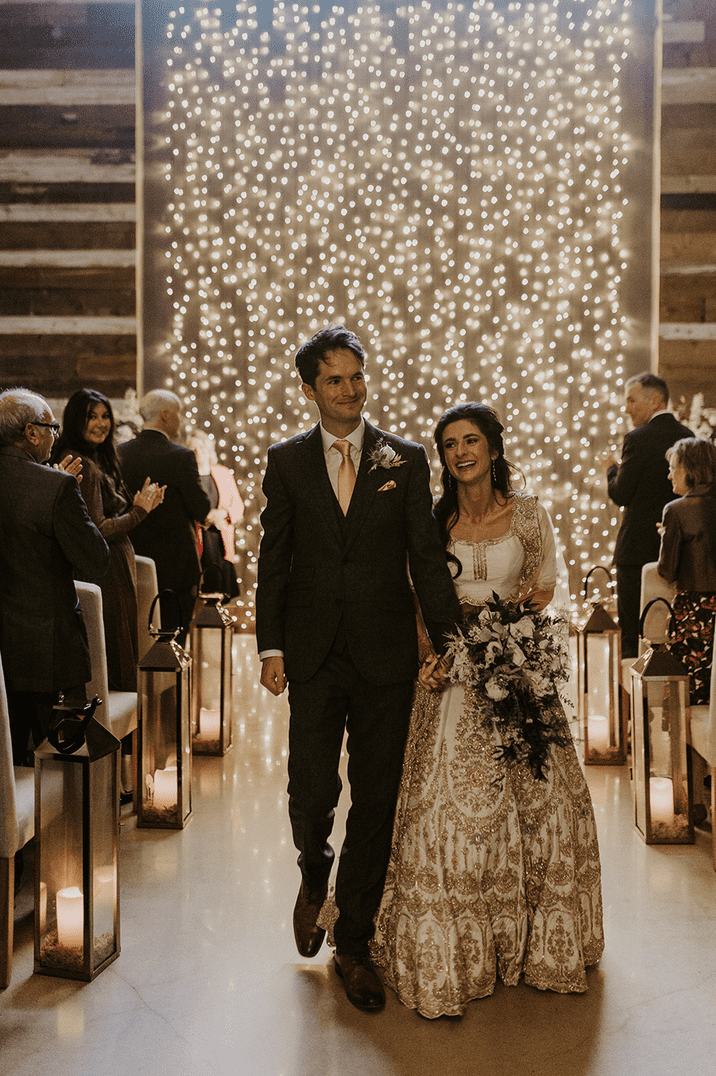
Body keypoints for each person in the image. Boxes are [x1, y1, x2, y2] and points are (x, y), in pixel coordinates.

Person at [370, 402, 604, 1019]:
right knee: (439, 808)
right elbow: (418, 587)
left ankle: (535, 942)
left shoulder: (526, 513)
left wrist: (509, 637)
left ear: (494, 449)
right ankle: (453, 949)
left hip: (514, 667)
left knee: (541, 795)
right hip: (449, 670)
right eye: (448, 445)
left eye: (471, 440)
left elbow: (546, 582)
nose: (459, 453)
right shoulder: (434, 518)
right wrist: (436, 648)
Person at [256, 325, 462, 1012]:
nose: (349, 391)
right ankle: (314, 872)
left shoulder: (401, 459)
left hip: (384, 654)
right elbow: (275, 559)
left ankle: (354, 943)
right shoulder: (285, 462)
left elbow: (424, 558)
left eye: (356, 376)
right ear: (311, 389)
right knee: (310, 790)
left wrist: (448, 639)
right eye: (335, 380)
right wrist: (271, 646)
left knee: (377, 798)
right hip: (313, 652)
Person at [0, 388, 110, 765]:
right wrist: (61, 496)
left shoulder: (49, 482)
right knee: (63, 764)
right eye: (51, 427)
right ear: (31, 433)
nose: (55, 435)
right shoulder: (55, 486)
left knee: (7, 768)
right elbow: (95, 559)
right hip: (47, 651)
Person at [52, 389, 165, 691]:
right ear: (77, 420)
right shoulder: (83, 466)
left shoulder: (94, 459)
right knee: (112, 653)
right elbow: (97, 528)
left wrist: (140, 505)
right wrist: (140, 511)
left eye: (105, 416)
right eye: (91, 416)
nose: (100, 424)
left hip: (107, 565)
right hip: (104, 570)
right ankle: (115, 732)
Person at [601, 373, 692, 658]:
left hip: (637, 549)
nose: (626, 408)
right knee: (672, 629)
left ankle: (632, 699)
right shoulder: (688, 437)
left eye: (631, 400)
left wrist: (611, 469)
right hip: (679, 549)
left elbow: (621, 494)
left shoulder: (637, 439)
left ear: (655, 401)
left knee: (634, 630)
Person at [118, 390, 212, 644]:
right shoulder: (181, 456)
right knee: (173, 640)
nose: (180, 422)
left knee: (136, 635)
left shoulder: (119, 453)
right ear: (165, 415)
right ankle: (172, 684)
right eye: (178, 415)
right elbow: (201, 508)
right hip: (177, 563)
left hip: (132, 556)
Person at [657, 437, 716, 705]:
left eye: (673, 468)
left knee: (690, 692)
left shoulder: (676, 511)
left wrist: (666, 537)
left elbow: (667, 572)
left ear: (690, 469)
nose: (669, 475)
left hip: (696, 614)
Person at [186, 428, 243, 600]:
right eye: (194, 449)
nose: (199, 453)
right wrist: (206, 516)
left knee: (219, 591)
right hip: (195, 540)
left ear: (209, 449)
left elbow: (238, 506)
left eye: (202, 448)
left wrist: (223, 514)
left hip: (220, 541)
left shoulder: (223, 473)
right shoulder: (187, 475)